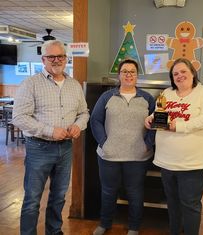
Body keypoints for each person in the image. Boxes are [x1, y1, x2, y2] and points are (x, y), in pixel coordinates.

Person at [13, 40, 89, 235]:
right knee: (32, 199)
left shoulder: (74, 85)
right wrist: (49, 130)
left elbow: (84, 113)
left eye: (60, 56)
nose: (56, 60)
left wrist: (77, 125)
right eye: (51, 57)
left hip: (65, 148)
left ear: (66, 58)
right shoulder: (30, 84)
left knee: (59, 197)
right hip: (39, 148)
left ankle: (54, 232)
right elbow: (19, 117)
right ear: (43, 59)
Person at [145, 58, 203, 235]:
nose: (179, 76)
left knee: (190, 205)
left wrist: (179, 126)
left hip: (192, 163)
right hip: (167, 161)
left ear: (192, 73)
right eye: (175, 73)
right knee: (172, 203)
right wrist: (150, 119)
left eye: (183, 71)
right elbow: (159, 115)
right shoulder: (167, 94)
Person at [90, 59, 155, 235]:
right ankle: (105, 223)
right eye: (124, 71)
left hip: (137, 156)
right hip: (109, 155)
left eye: (132, 71)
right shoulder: (107, 97)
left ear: (137, 75)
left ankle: (134, 227)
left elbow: (157, 124)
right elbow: (95, 120)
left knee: (135, 193)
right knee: (108, 191)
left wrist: (147, 144)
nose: (128, 74)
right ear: (119, 75)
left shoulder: (147, 98)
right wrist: (104, 142)